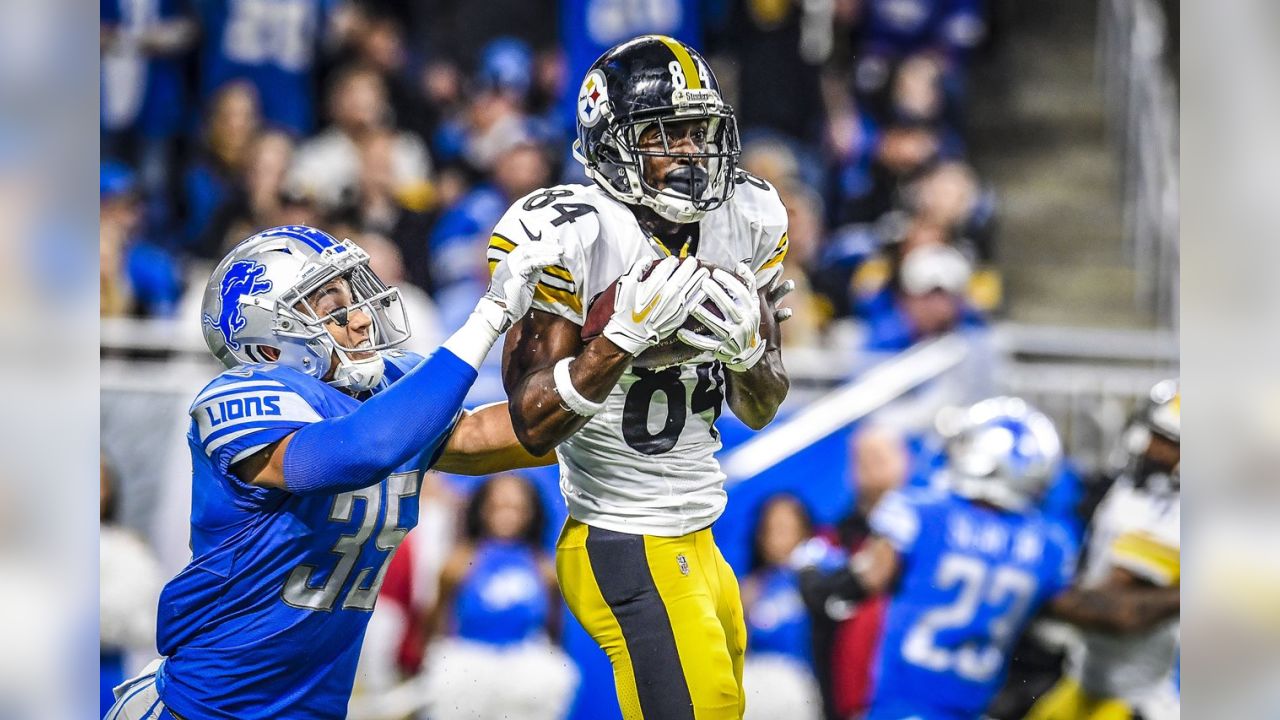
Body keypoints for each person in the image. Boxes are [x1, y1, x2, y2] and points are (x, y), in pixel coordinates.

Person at [103, 223, 581, 720]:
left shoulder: (385, 388)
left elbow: (488, 437)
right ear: (271, 349)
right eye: (333, 312)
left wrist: (618, 391)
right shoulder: (237, 396)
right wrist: (488, 317)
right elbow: (359, 451)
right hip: (207, 706)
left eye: (353, 301)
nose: (360, 321)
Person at [497, 36, 792, 719]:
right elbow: (531, 422)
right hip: (624, 531)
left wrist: (749, 352)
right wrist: (618, 343)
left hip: (701, 535)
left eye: (701, 132)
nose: (692, 151)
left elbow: (762, 405)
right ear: (611, 143)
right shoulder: (572, 232)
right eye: (666, 134)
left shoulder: (748, 216)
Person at [795, 397, 1180, 720]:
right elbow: (1105, 611)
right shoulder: (1048, 544)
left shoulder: (920, 511)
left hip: (902, 708)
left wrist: (810, 564)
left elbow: (847, 586)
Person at [1027, 380, 1181, 720]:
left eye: (1168, 441)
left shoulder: (1178, 513)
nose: (1147, 446)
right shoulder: (1133, 488)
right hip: (1087, 680)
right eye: (1152, 432)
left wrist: (1029, 583)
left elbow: (1119, 612)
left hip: (1142, 699)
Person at [419, 472, 578, 720]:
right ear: (481, 509)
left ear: (532, 513)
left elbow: (554, 632)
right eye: (498, 506)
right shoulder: (457, 564)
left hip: (525, 678)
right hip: (466, 672)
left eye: (517, 507)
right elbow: (436, 625)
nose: (507, 514)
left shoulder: (545, 570)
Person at [740, 495, 823, 720]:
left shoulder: (824, 572)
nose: (777, 537)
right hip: (761, 685)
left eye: (786, 527)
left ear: (804, 530)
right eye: (771, 528)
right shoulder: (751, 587)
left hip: (807, 685)